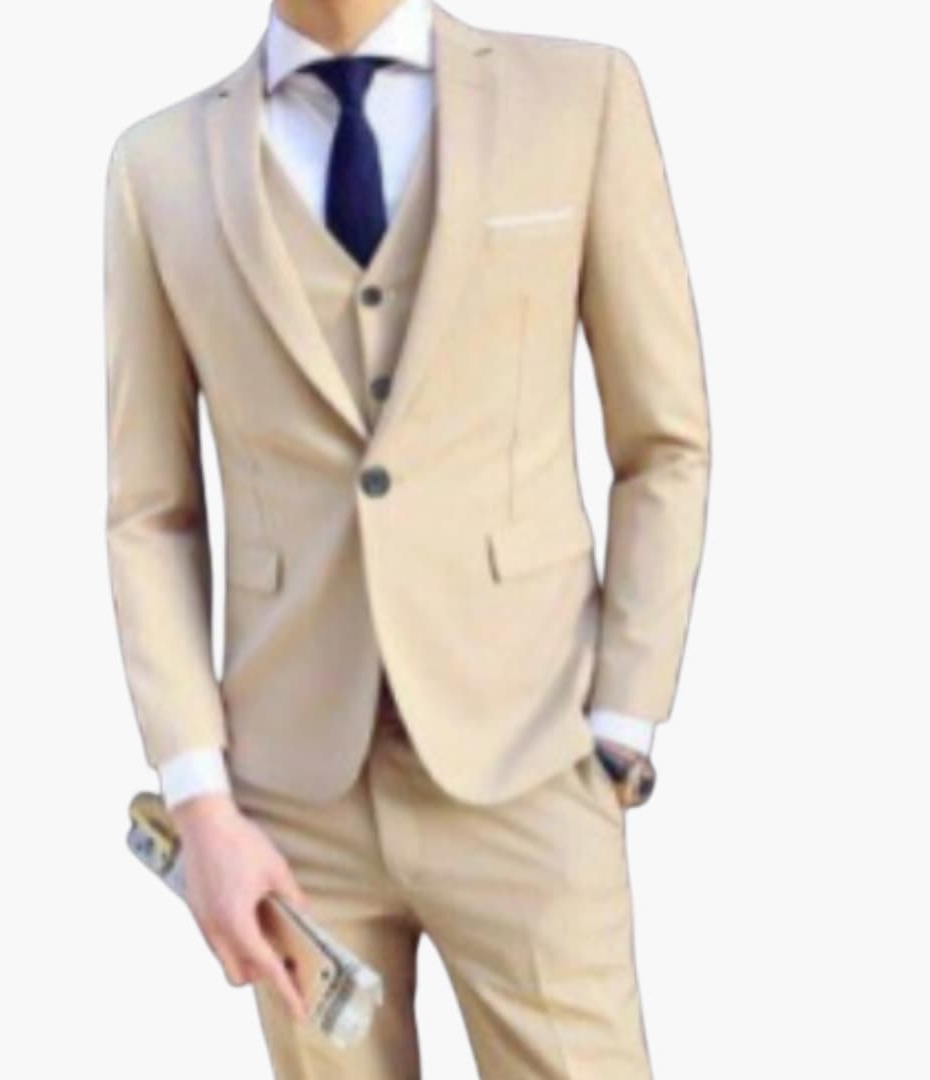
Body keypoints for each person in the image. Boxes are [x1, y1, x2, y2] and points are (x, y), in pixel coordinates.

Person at [102, 0, 710, 1075]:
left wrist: (622, 725)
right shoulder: (158, 168)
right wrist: (198, 798)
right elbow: (150, 511)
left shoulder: (579, 99)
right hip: (288, 800)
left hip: (532, 760)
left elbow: (665, 443)